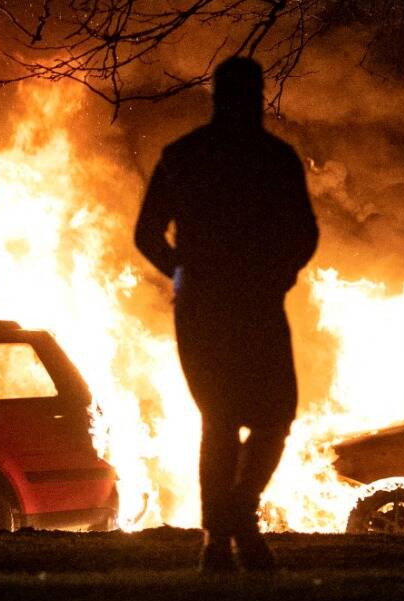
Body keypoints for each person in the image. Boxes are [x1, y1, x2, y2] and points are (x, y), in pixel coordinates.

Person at [133, 57, 319, 573]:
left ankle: (225, 529)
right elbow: (305, 233)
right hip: (247, 305)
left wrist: (179, 272)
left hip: (210, 307)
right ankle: (232, 531)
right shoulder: (272, 157)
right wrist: (279, 273)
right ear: (255, 97)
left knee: (231, 421)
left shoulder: (186, 154)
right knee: (265, 416)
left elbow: (147, 233)